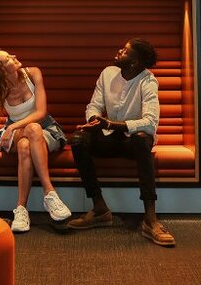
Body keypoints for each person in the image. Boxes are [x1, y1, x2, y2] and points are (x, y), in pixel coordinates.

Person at [69, 38, 175, 247]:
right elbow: (94, 105)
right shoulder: (108, 73)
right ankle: (100, 208)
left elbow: (150, 122)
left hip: (132, 143)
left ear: (134, 62)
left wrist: (112, 124)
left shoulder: (148, 81)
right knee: (78, 140)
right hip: (108, 138)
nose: (119, 51)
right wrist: (94, 121)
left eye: (125, 51)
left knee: (142, 138)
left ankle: (150, 219)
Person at [0, 49, 71, 232]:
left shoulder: (33, 74)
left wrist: (12, 127)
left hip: (45, 128)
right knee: (29, 132)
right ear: (1, 70)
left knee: (28, 140)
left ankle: (21, 209)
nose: (14, 57)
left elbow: (41, 112)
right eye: (8, 59)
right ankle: (50, 193)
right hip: (17, 132)